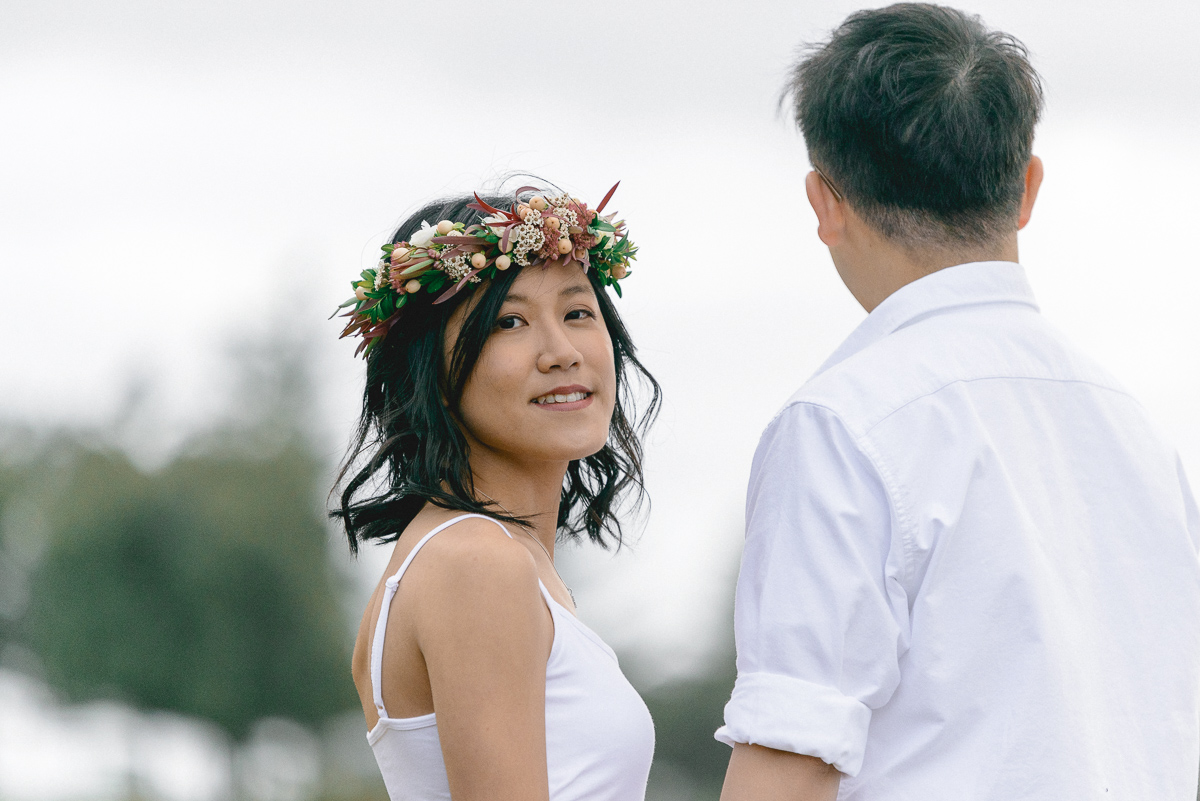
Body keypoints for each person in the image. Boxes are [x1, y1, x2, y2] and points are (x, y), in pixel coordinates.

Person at [716, 5, 1200, 800]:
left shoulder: (845, 422)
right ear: (1028, 186)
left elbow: (788, 761)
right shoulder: (1139, 433)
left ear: (824, 202)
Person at [331, 183, 659, 801]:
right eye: (509, 321)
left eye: (577, 312)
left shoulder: (483, 556)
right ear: (431, 365)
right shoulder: (477, 563)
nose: (561, 352)